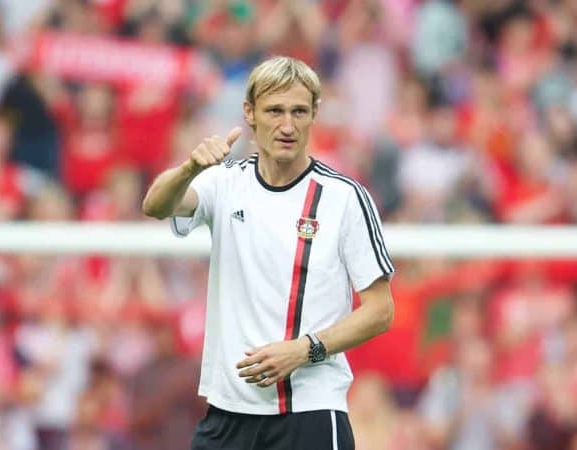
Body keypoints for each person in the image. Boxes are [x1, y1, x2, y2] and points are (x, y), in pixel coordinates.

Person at [143, 55, 395, 450]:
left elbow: (380, 311)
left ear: (315, 114)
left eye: (299, 111)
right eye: (275, 111)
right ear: (250, 113)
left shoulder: (345, 198)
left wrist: (304, 350)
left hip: (310, 411)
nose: (287, 125)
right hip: (228, 412)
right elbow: (156, 206)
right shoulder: (224, 183)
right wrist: (190, 167)